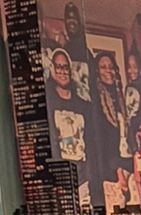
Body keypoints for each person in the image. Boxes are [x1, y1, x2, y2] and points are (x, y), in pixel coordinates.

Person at [89, 48, 132, 208]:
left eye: (110, 66)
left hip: (126, 160)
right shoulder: (97, 100)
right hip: (110, 167)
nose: (108, 70)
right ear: (97, 71)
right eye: (103, 67)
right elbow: (102, 139)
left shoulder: (121, 95)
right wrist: (118, 171)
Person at [45, 46, 90, 197]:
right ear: (52, 68)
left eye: (65, 67)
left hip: (83, 179)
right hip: (59, 181)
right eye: (58, 66)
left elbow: (89, 141)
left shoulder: (82, 104)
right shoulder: (48, 102)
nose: (62, 71)